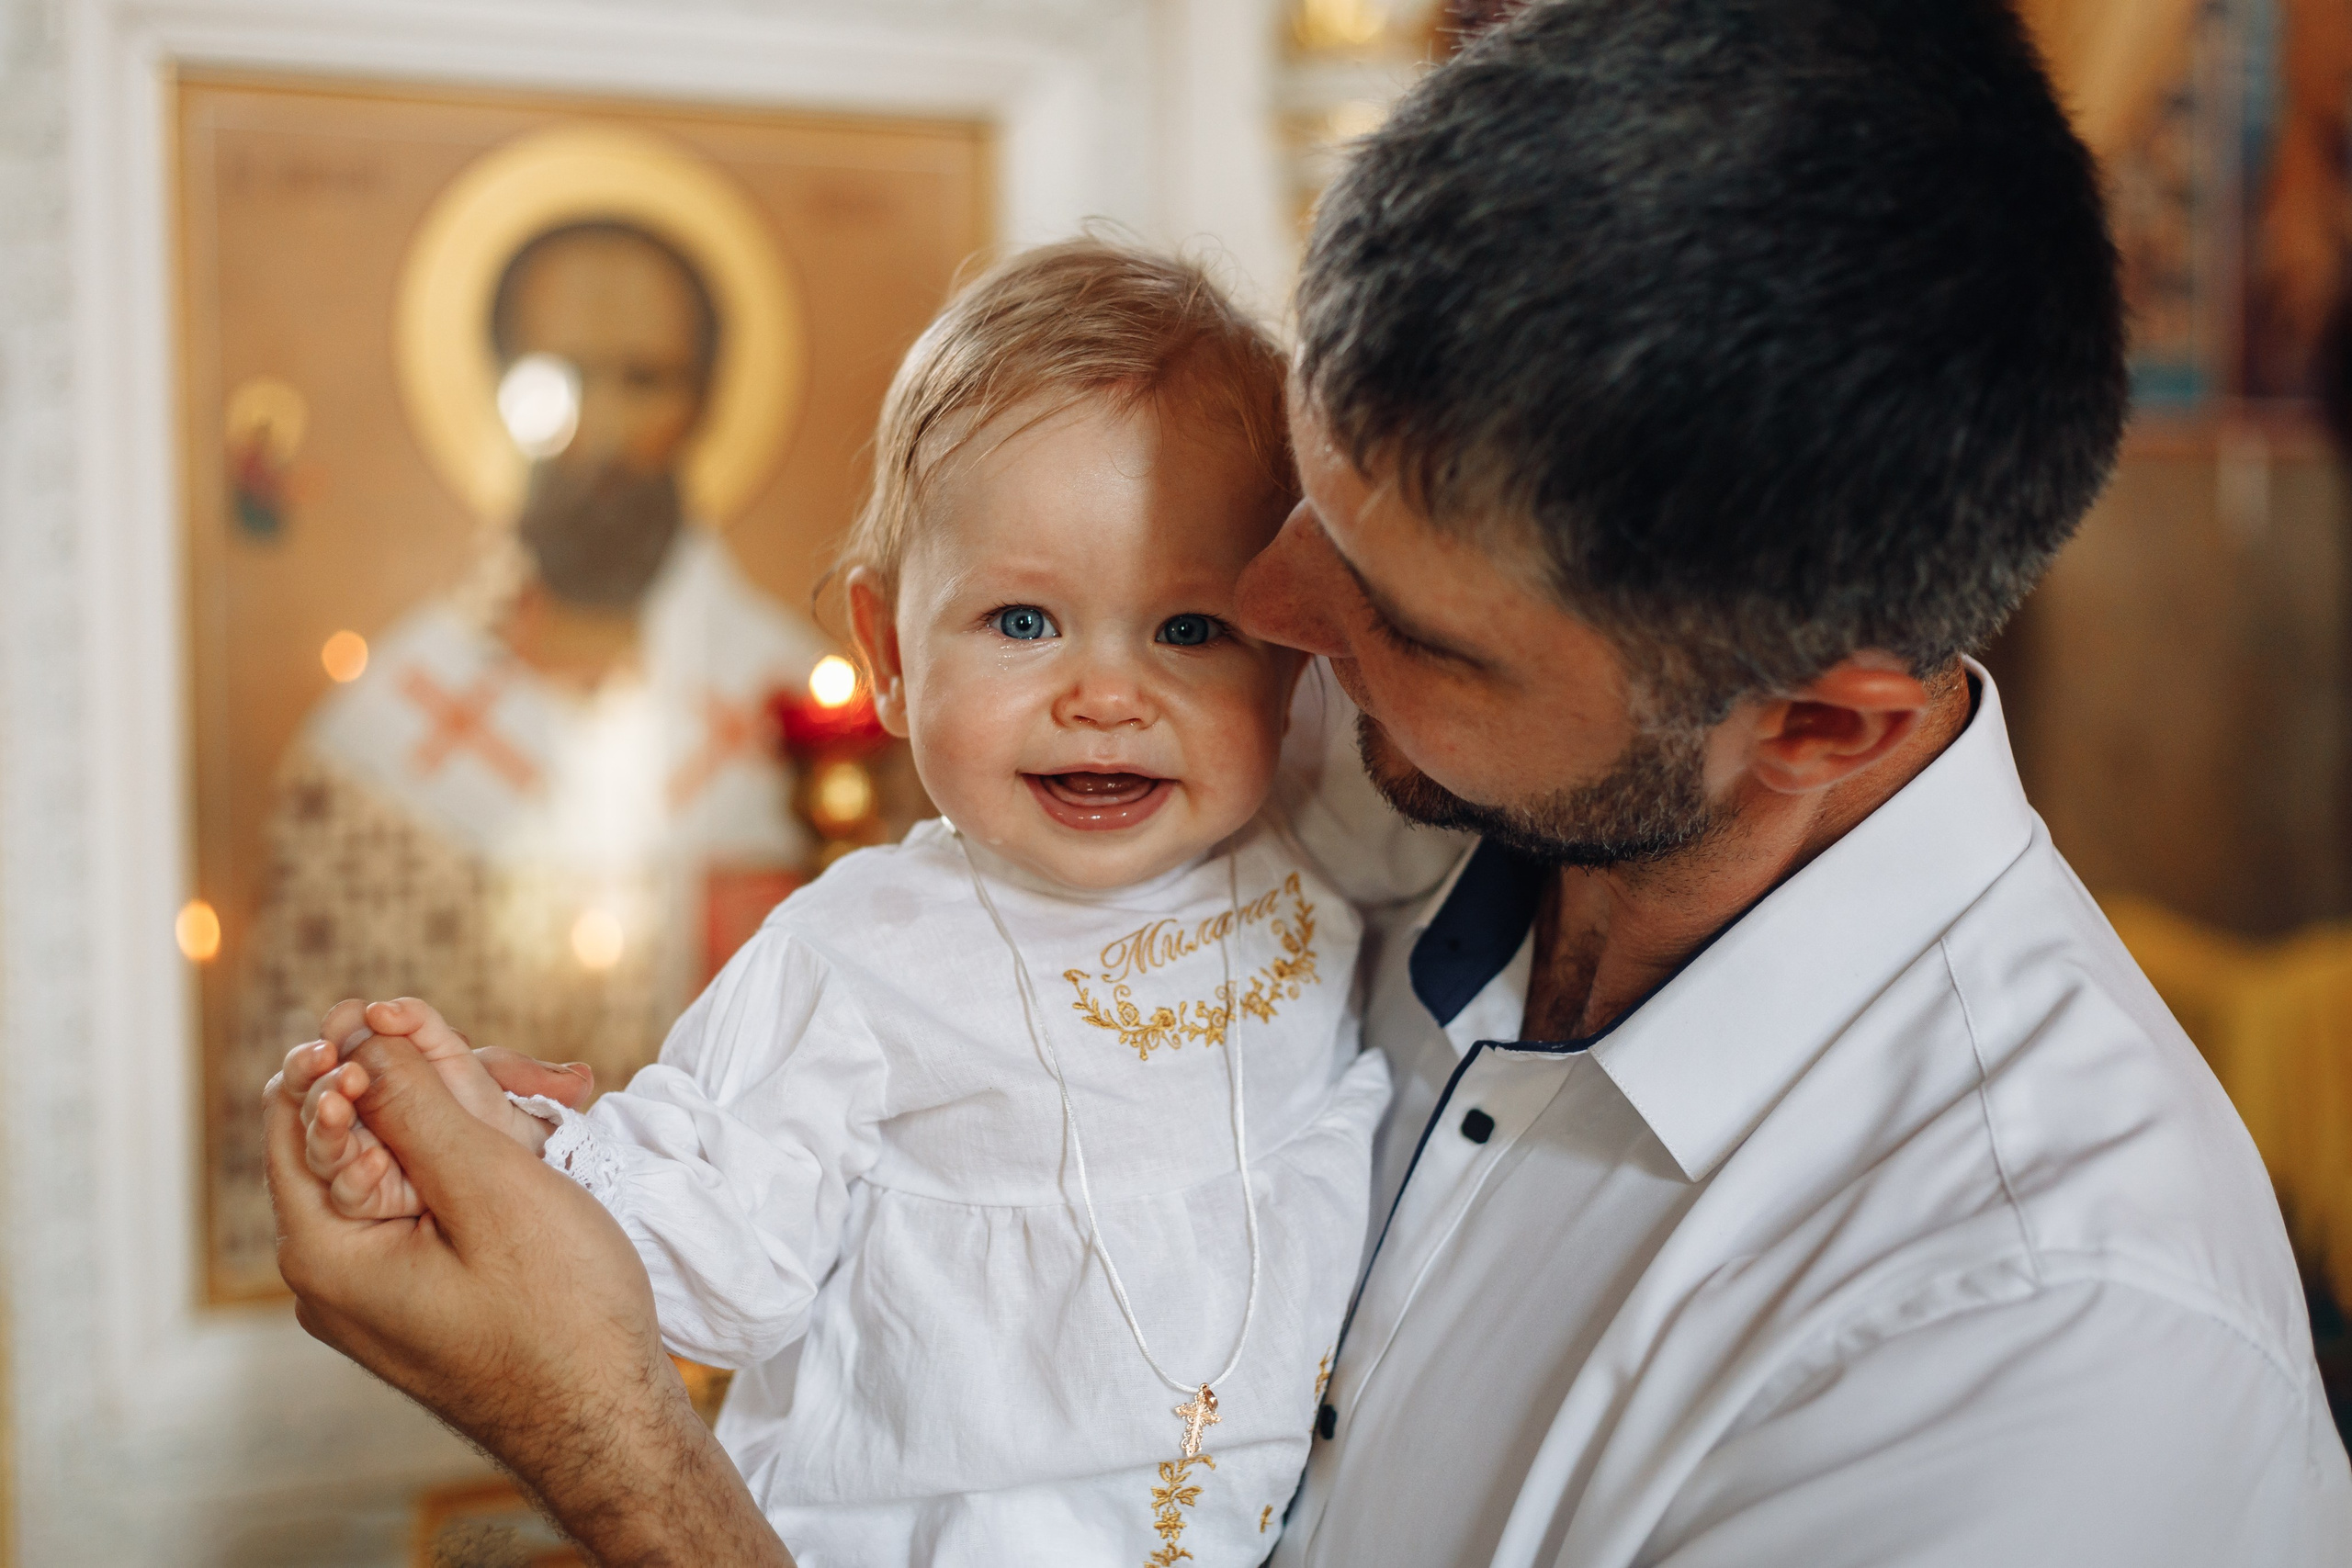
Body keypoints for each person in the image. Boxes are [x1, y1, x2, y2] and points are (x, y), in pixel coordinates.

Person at [268, 2, 2352, 1562]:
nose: (1254, 621)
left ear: (1819, 716)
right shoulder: (1368, 812)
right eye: (1306, 510)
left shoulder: (2041, 1374)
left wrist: (623, 1449)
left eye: (1404, 618)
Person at [285, 243, 1457, 1562]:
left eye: (1189, 629)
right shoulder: (863, 953)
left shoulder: (1309, 837)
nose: (1107, 694)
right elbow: (703, 1249)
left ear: (1293, 653)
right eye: (1023, 621)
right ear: (892, 654)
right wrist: (480, 1147)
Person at [218, 220, 825, 1293]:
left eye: (646, 379)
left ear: (708, 402)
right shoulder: (377, 743)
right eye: (559, 377)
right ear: (493, 389)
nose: (599, 426)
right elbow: (282, 1121)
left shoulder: (802, 717)